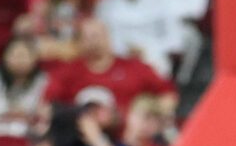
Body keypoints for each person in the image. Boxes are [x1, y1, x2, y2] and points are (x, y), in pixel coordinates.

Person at [44, 18, 174, 115]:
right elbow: (46, 105)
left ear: (108, 37)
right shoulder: (68, 72)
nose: (92, 42)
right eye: (86, 37)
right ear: (79, 42)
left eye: (96, 36)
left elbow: (168, 95)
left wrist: (149, 115)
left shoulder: (134, 67)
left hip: (126, 139)